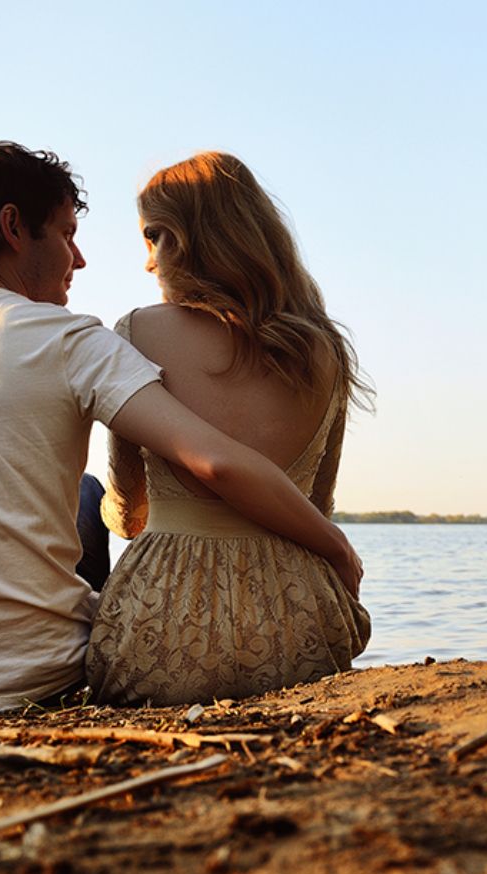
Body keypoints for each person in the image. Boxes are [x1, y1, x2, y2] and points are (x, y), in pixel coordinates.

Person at [0, 141, 362, 711]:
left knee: (80, 494)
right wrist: (339, 549)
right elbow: (216, 461)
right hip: (30, 677)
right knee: (83, 493)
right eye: (65, 235)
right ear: (13, 227)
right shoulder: (72, 341)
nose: (78, 259)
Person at [86, 152, 371, 705]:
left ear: (191, 241)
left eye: (155, 236)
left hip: (161, 638)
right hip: (301, 633)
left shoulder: (137, 332)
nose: (150, 262)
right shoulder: (325, 350)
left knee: (87, 498)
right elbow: (314, 506)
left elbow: (128, 514)